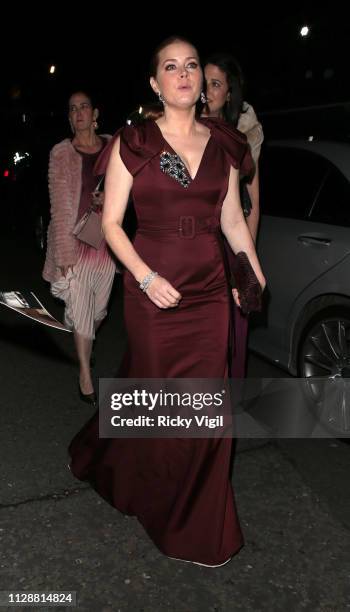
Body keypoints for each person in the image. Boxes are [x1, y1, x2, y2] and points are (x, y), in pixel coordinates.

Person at [69, 36, 265, 567]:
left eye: (193, 65)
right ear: (156, 83)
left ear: (202, 80)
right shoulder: (134, 142)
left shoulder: (224, 143)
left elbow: (229, 221)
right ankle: (135, 477)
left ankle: (198, 523)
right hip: (151, 286)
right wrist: (146, 276)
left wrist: (252, 266)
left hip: (207, 291)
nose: (184, 74)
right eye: (171, 67)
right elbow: (110, 225)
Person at [43, 90, 116, 405]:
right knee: (82, 304)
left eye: (84, 106)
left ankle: (79, 326)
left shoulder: (113, 147)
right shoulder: (61, 153)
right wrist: (63, 253)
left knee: (98, 310)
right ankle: (85, 375)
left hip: (107, 239)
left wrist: (108, 197)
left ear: (95, 112)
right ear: (70, 118)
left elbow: (133, 188)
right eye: (73, 109)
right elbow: (58, 206)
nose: (79, 113)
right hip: (75, 239)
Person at [203, 52, 264, 377]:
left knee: (232, 331)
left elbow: (250, 204)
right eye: (205, 82)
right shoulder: (185, 126)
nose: (207, 90)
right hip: (194, 242)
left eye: (216, 84)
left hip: (228, 241)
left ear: (229, 92)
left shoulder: (242, 136)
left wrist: (246, 262)